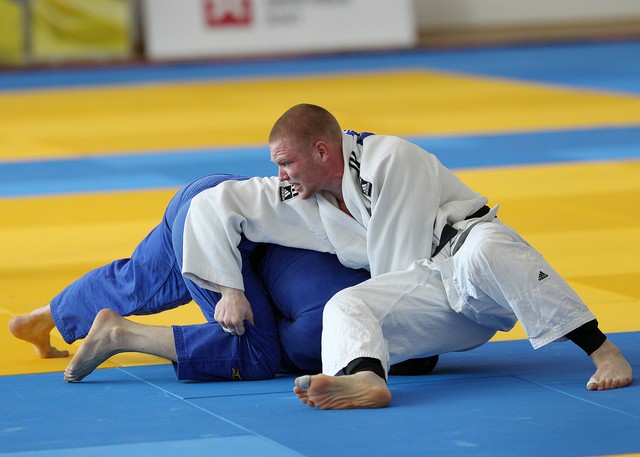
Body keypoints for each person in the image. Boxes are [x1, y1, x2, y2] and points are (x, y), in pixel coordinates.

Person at [176, 104, 632, 410]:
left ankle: (603, 350)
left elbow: (399, 255)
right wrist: (230, 289)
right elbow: (215, 202)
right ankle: (367, 379)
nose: (280, 175)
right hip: (428, 291)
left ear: (321, 151)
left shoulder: (388, 158)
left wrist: (407, 338)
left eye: (285, 163)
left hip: (469, 263)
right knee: (344, 304)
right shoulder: (303, 191)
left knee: (490, 246)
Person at [8, 173, 372, 382]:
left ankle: (44, 318)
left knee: (138, 279)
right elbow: (268, 350)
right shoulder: (334, 323)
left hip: (215, 191)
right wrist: (230, 290)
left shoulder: (370, 261)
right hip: (218, 228)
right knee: (256, 353)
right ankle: (120, 334)